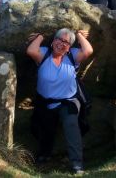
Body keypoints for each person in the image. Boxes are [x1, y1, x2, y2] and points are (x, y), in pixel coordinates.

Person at [27, 28, 93, 174]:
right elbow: (31, 51)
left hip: (68, 101)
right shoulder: (44, 53)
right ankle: (44, 155)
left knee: (71, 126)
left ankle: (77, 164)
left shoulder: (72, 56)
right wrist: (39, 36)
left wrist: (79, 35)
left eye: (66, 42)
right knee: (45, 128)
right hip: (45, 101)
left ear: (70, 47)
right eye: (59, 40)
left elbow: (88, 51)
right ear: (53, 41)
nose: (62, 44)